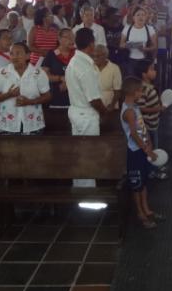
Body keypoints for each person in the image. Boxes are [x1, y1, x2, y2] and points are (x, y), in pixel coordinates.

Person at [66, 28, 109, 187]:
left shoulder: (74, 61)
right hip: (86, 115)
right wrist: (105, 113)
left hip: (76, 112)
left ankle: (79, 189)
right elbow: (94, 100)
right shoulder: (85, 68)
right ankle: (88, 194)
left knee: (79, 154)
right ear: (91, 44)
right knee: (89, 155)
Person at [120, 76, 164, 229]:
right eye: (140, 91)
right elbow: (133, 134)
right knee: (136, 183)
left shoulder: (136, 108)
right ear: (133, 92)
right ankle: (140, 212)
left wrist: (149, 143)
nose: (141, 93)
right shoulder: (129, 111)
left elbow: (142, 128)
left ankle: (147, 208)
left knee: (144, 182)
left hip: (142, 149)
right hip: (135, 152)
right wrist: (147, 150)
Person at [0, 43, 51, 134]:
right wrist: (8, 95)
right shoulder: (2, 73)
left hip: (33, 124)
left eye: (18, 53)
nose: (15, 57)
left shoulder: (38, 73)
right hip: (7, 124)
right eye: (12, 53)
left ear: (27, 55)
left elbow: (47, 96)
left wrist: (29, 102)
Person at [42, 28, 75, 108]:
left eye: (72, 37)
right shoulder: (51, 54)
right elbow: (44, 75)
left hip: (75, 100)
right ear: (59, 39)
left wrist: (68, 82)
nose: (71, 39)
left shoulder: (77, 54)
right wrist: (60, 78)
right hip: (55, 98)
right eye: (67, 37)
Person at [120, 6, 157, 76]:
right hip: (130, 61)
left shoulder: (150, 29)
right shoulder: (127, 28)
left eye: (143, 15)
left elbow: (155, 46)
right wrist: (130, 45)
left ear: (146, 17)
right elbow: (121, 45)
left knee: (145, 82)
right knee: (132, 82)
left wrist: (145, 49)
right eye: (138, 15)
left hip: (145, 60)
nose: (141, 17)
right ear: (133, 17)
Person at [94, 44, 122, 110]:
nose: (95, 58)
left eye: (98, 56)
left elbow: (117, 90)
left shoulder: (114, 68)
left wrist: (112, 105)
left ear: (105, 56)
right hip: (93, 105)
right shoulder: (90, 67)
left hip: (109, 105)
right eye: (93, 56)